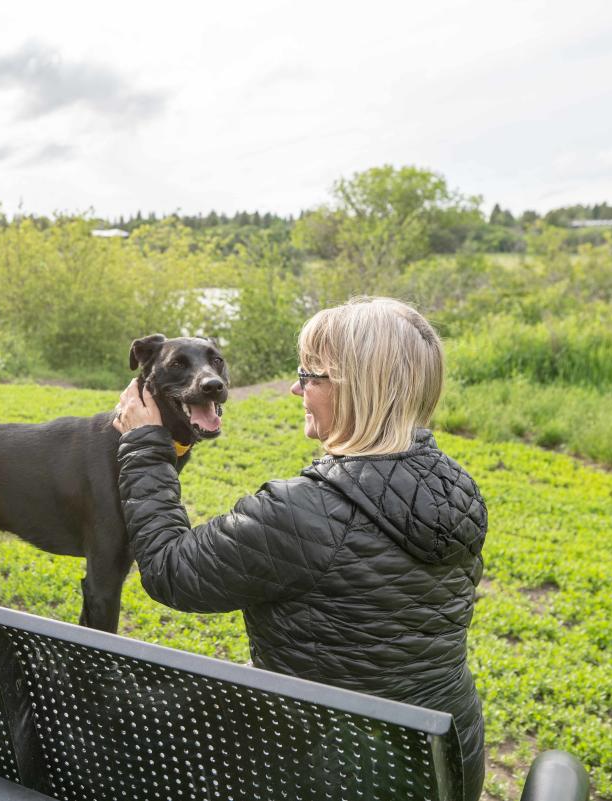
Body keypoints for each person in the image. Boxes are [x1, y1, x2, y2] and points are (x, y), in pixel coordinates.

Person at [112, 297, 487, 801]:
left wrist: (145, 443)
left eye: (310, 375)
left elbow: (168, 569)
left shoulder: (303, 512)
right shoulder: (457, 491)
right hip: (447, 766)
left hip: (327, 773)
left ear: (357, 388)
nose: (296, 388)